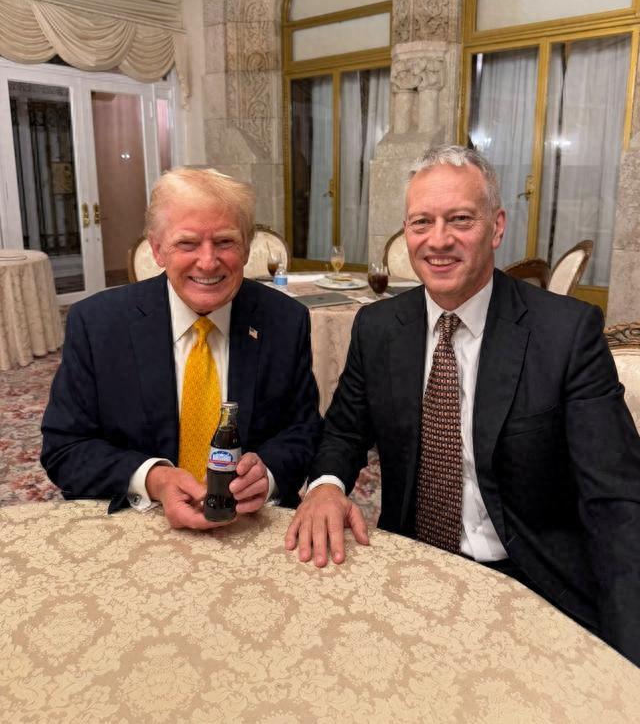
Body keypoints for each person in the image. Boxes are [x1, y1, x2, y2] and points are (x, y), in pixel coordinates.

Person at [285, 144, 640, 666]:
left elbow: (616, 498)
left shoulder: (564, 334)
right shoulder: (379, 328)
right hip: (412, 565)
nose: (438, 240)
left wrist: (628, 656)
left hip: (531, 580)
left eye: (460, 219)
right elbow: (343, 431)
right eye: (421, 222)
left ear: (496, 227)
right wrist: (325, 487)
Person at [42, 167, 321, 530]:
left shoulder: (284, 321)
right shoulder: (98, 325)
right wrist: (152, 478)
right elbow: (65, 447)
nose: (208, 261)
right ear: (158, 249)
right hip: (138, 524)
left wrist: (267, 473)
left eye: (225, 242)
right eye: (187, 244)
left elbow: (304, 432)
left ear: (247, 247)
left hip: (249, 525)